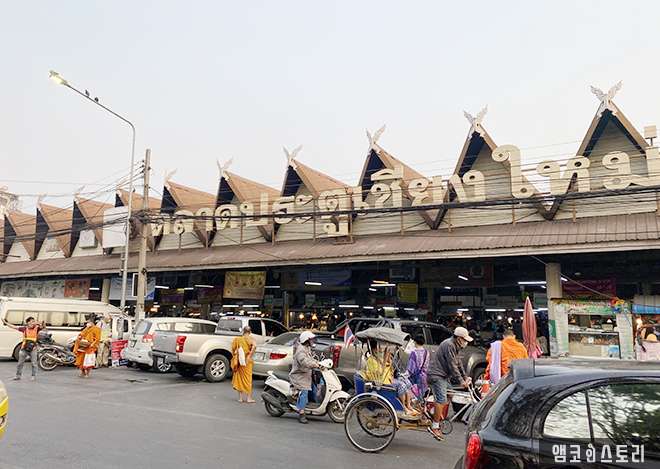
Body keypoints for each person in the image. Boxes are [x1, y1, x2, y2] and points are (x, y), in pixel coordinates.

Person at [426, 326, 473, 441]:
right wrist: (461, 381)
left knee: (450, 393)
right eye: (465, 340)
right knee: (441, 400)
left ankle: (434, 413)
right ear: (459, 339)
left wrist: (465, 377)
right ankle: (435, 426)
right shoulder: (449, 345)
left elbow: (458, 363)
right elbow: (452, 365)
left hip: (443, 375)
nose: (466, 342)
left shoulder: (455, 346)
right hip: (437, 374)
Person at [365, 339, 418, 416]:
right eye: (379, 348)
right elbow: (380, 372)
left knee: (407, 382)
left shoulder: (379, 359)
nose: (381, 349)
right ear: (374, 350)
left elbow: (390, 370)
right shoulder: (371, 361)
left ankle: (408, 405)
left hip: (389, 380)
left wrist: (388, 359)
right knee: (401, 385)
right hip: (381, 384)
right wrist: (385, 359)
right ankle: (403, 407)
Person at [289, 330, 321, 424]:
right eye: (310, 339)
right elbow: (304, 362)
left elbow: (311, 359)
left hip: (306, 376)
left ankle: (311, 409)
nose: (312, 341)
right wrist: (314, 365)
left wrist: (319, 363)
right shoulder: (300, 351)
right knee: (304, 392)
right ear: (306, 340)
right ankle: (301, 413)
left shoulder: (306, 349)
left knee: (313, 391)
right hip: (299, 376)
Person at [3, 316, 45, 381]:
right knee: (20, 363)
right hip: (25, 348)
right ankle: (18, 376)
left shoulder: (37, 328)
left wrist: (42, 322)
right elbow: (14, 327)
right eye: (32, 321)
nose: (33, 323)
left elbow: (43, 326)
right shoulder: (24, 329)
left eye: (34, 321)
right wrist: (6, 323)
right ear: (28, 322)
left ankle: (33, 376)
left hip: (33, 348)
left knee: (34, 363)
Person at [231, 326, 257, 403]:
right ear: (250, 332)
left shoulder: (237, 339)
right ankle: (248, 398)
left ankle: (240, 398)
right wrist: (249, 356)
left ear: (243, 332)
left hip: (240, 361)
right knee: (248, 379)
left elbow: (233, 350)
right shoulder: (252, 339)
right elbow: (255, 346)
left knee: (239, 378)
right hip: (247, 362)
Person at [406, 334, 430, 399]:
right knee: (422, 396)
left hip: (416, 378)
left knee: (415, 397)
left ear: (415, 342)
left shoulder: (414, 353)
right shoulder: (427, 352)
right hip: (424, 377)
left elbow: (411, 368)